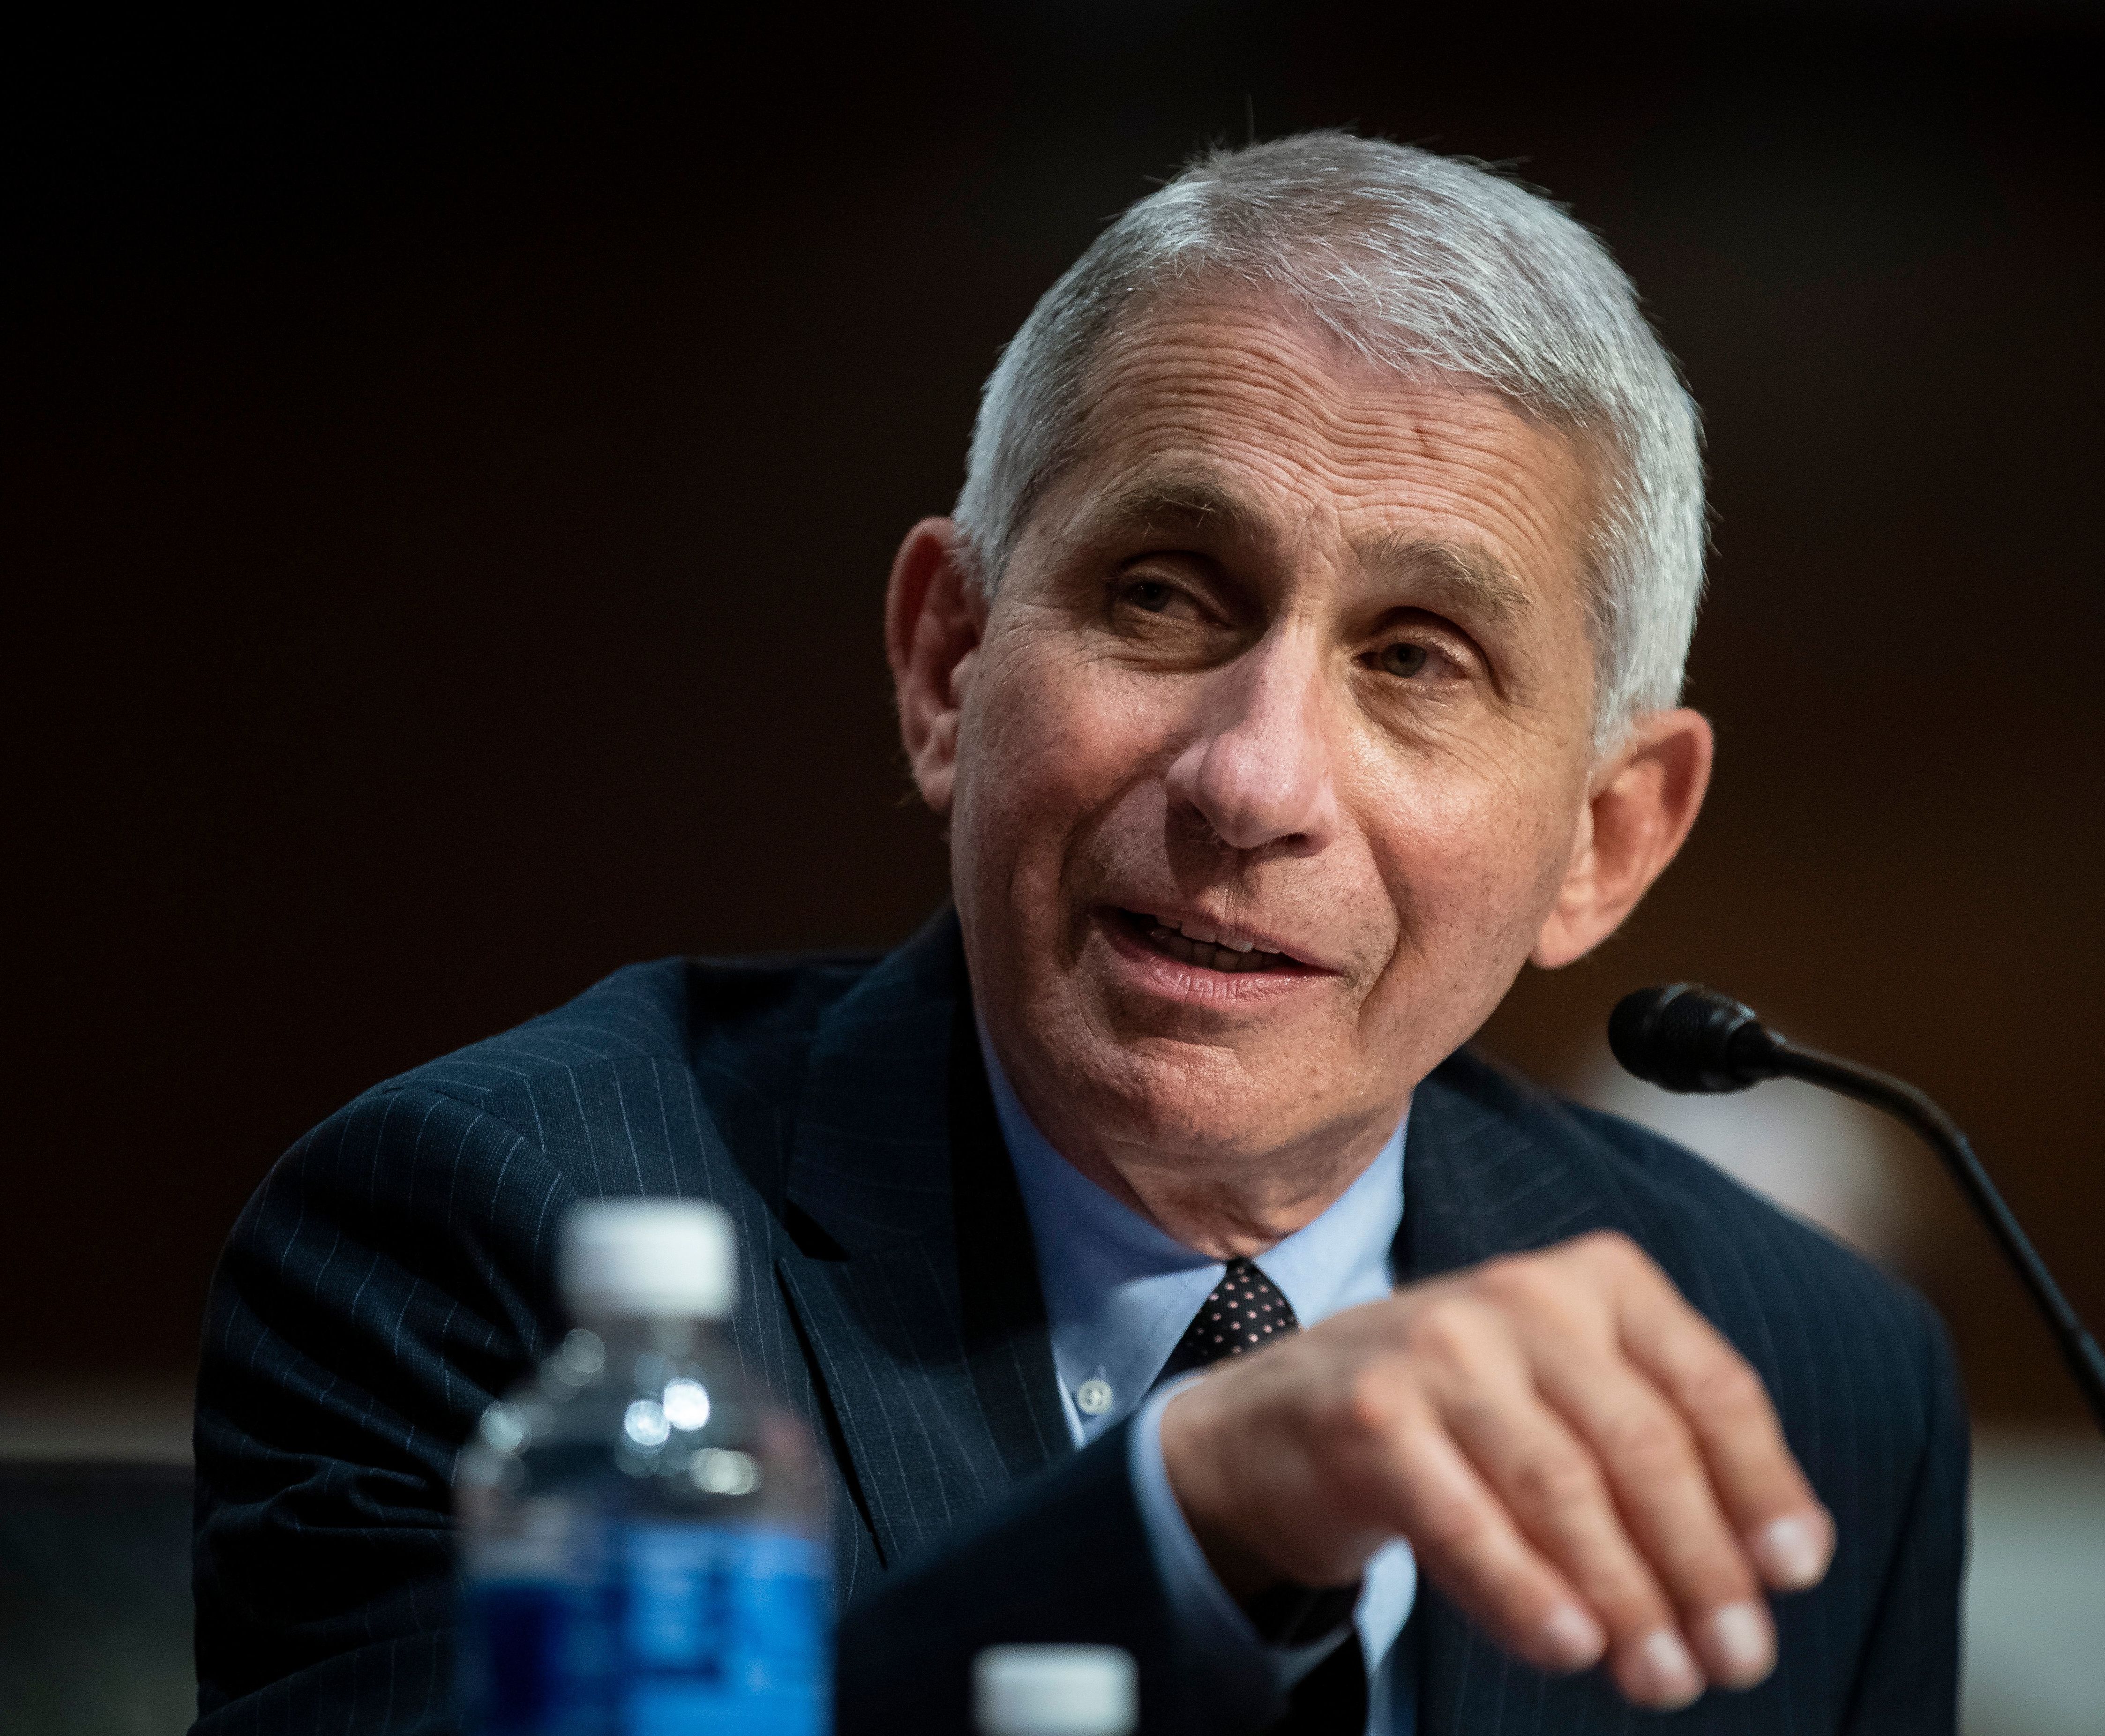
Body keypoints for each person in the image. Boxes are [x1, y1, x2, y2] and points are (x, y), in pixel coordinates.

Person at [192, 133, 1965, 1735]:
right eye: (1164, 595)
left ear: (1605, 835)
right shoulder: (479, 1232)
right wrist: (1192, 1522)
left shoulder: (1808, 1375)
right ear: (946, 666)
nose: (1254, 781)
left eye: (1417, 656)